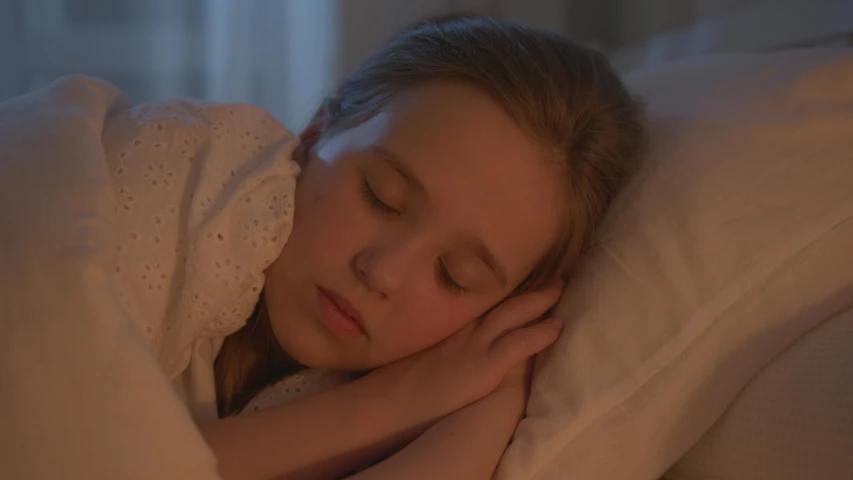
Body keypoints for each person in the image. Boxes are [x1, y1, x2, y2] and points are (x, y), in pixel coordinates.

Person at [0, 14, 642, 480]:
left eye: (454, 275)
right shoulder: (190, 171)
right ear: (313, 136)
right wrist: (394, 404)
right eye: (382, 197)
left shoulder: (446, 370)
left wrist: (496, 400)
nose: (383, 271)